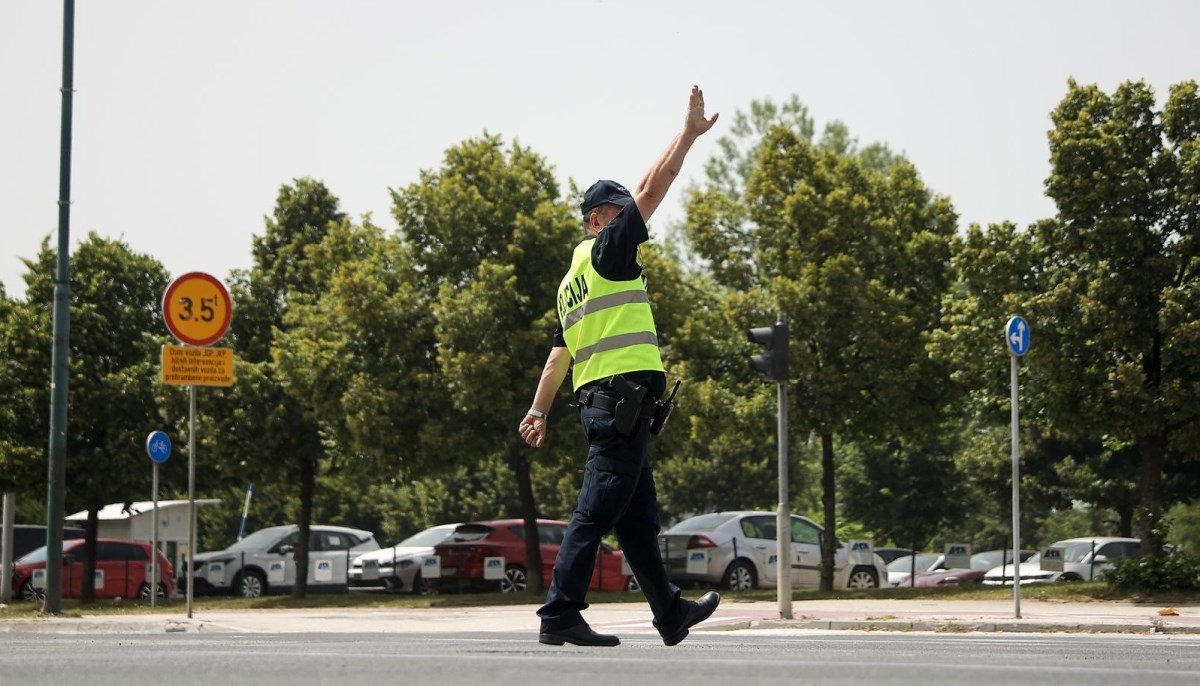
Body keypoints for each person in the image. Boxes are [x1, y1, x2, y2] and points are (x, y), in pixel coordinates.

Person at [517, 85, 720, 647]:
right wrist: (687, 135)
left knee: (635, 523)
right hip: (620, 406)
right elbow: (655, 187)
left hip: (610, 408)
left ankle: (669, 613)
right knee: (594, 511)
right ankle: (559, 613)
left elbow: (559, 356)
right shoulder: (607, 254)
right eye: (617, 210)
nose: (627, 215)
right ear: (596, 219)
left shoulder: (569, 283)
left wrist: (537, 410)